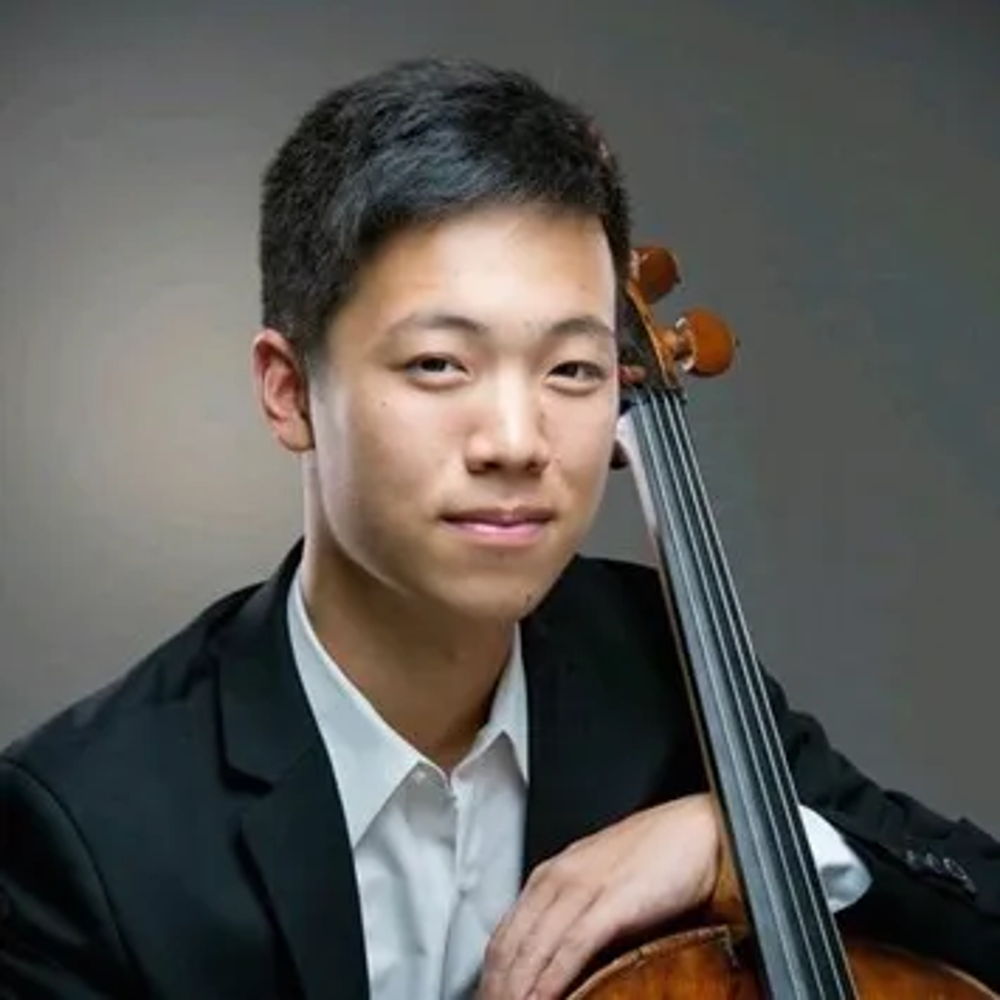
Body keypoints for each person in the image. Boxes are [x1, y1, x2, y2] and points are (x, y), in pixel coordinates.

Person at [1, 59, 998, 1000]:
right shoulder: (83, 828)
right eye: (439, 364)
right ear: (289, 390)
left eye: (572, 369)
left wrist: (742, 836)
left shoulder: (659, 663)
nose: (518, 442)